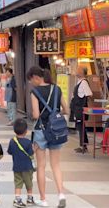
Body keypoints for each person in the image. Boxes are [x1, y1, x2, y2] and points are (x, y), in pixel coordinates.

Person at [27, 66, 68, 208]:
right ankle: (61, 194)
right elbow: (66, 110)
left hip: (41, 131)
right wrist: (55, 115)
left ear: (36, 77)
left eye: (31, 80)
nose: (31, 83)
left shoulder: (35, 92)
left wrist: (33, 116)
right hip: (55, 131)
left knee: (41, 167)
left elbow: (36, 115)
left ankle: (43, 199)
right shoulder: (57, 89)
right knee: (56, 165)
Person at [7, 118, 35, 208]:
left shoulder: (12, 141)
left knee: (18, 183)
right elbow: (31, 153)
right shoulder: (28, 142)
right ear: (26, 131)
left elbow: (9, 151)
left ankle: (17, 199)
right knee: (29, 182)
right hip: (27, 167)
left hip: (16, 167)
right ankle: (30, 198)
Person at [71, 67, 92, 153]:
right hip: (77, 108)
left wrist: (84, 101)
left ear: (82, 73)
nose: (76, 71)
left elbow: (89, 94)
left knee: (81, 127)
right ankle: (83, 145)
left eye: (78, 70)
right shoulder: (79, 82)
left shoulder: (84, 82)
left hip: (81, 109)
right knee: (80, 127)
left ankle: (84, 146)